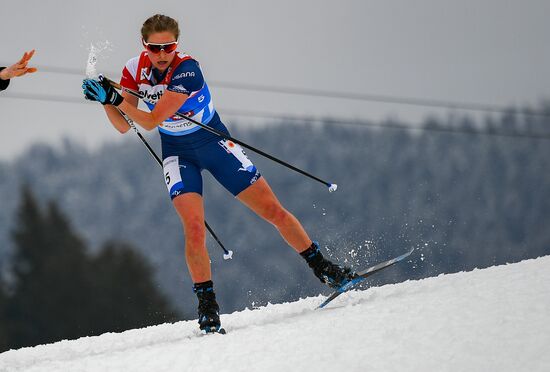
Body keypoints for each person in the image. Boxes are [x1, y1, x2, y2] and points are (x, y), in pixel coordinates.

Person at [82, 14, 355, 333]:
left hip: (214, 143)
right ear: (144, 46)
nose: (161, 54)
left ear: (176, 44)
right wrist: (105, 102)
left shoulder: (187, 69)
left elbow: (152, 119)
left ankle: (324, 269)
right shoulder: (133, 70)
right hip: (177, 152)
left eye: (168, 46)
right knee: (194, 228)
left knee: (272, 211)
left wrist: (115, 99)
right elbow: (122, 126)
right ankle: (207, 307)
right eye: (155, 48)